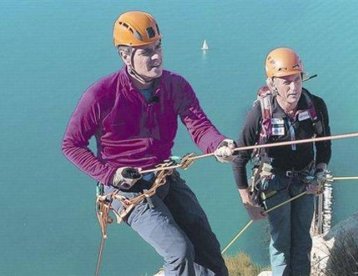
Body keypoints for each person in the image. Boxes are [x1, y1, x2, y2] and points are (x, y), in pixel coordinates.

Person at [61, 10, 235, 276]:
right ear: (125, 56)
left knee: (207, 246)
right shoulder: (101, 95)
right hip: (127, 190)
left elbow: (199, 125)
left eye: (158, 47)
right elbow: (71, 144)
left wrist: (219, 145)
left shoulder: (175, 86)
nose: (156, 56)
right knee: (178, 251)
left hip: (165, 176)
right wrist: (111, 174)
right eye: (145, 52)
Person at [232, 47, 332, 275]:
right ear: (272, 84)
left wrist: (319, 173)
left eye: (296, 79)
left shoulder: (315, 106)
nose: (293, 87)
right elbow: (239, 158)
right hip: (274, 182)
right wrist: (248, 202)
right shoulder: (260, 112)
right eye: (285, 81)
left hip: (306, 180)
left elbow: (324, 147)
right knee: (280, 243)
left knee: (302, 240)